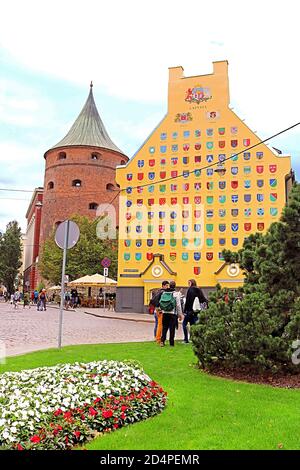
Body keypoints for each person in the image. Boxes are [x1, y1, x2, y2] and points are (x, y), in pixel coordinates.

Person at [182, 279, 208, 344]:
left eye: (189, 283)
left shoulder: (190, 290)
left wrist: (185, 311)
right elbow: (203, 299)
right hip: (196, 311)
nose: (188, 284)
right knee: (193, 325)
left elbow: (188, 301)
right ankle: (193, 338)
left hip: (189, 311)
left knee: (184, 323)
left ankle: (186, 339)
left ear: (191, 283)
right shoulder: (198, 289)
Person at [160, 280, 183, 347]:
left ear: (169, 286)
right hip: (173, 313)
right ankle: (171, 343)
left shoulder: (164, 293)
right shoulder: (176, 294)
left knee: (164, 328)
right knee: (172, 328)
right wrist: (180, 314)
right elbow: (178, 305)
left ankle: (162, 341)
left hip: (165, 313)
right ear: (175, 286)